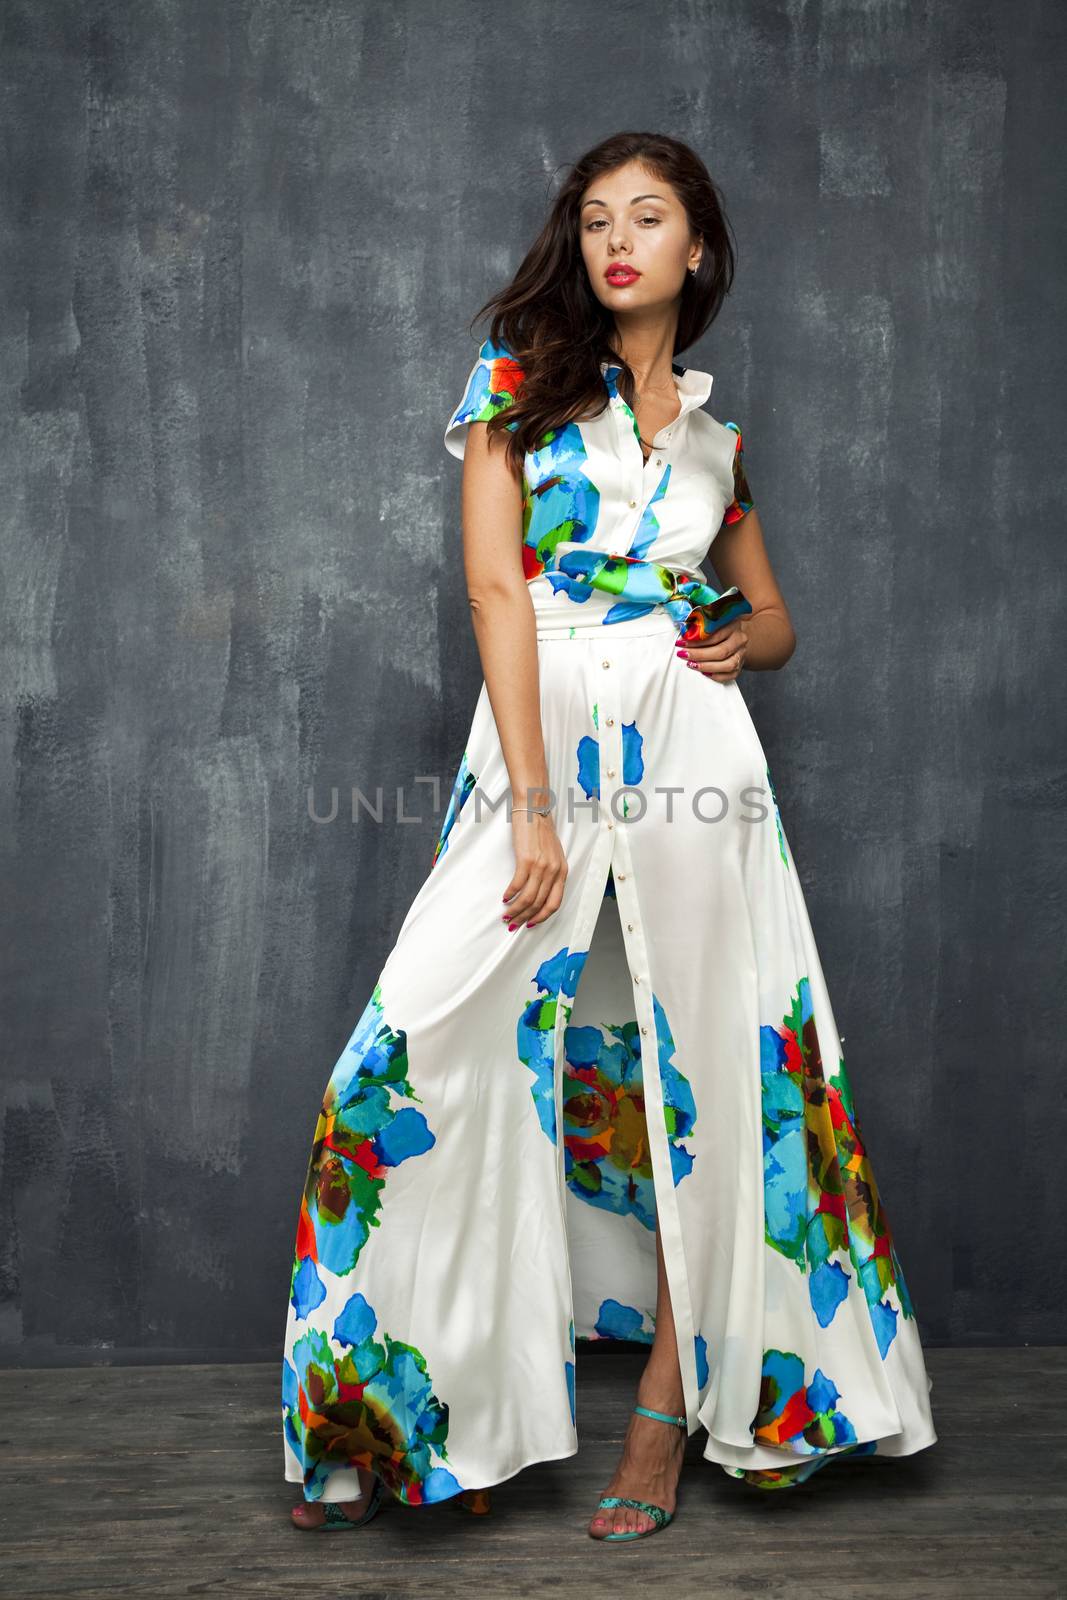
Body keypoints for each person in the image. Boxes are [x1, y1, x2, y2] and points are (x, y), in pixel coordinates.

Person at [281, 130, 937, 1545]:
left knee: (704, 1063)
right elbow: (494, 591)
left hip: (698, 762)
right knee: (411, 1052)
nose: (617, 240)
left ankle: (663, 1412)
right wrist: (529, 804)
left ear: (697, 249)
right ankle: (387, 1418)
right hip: (542, 750)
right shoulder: (514, 385)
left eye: (649, 218)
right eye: (594, 219)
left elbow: (775, 621)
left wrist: (731, 642)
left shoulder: (715, 441)